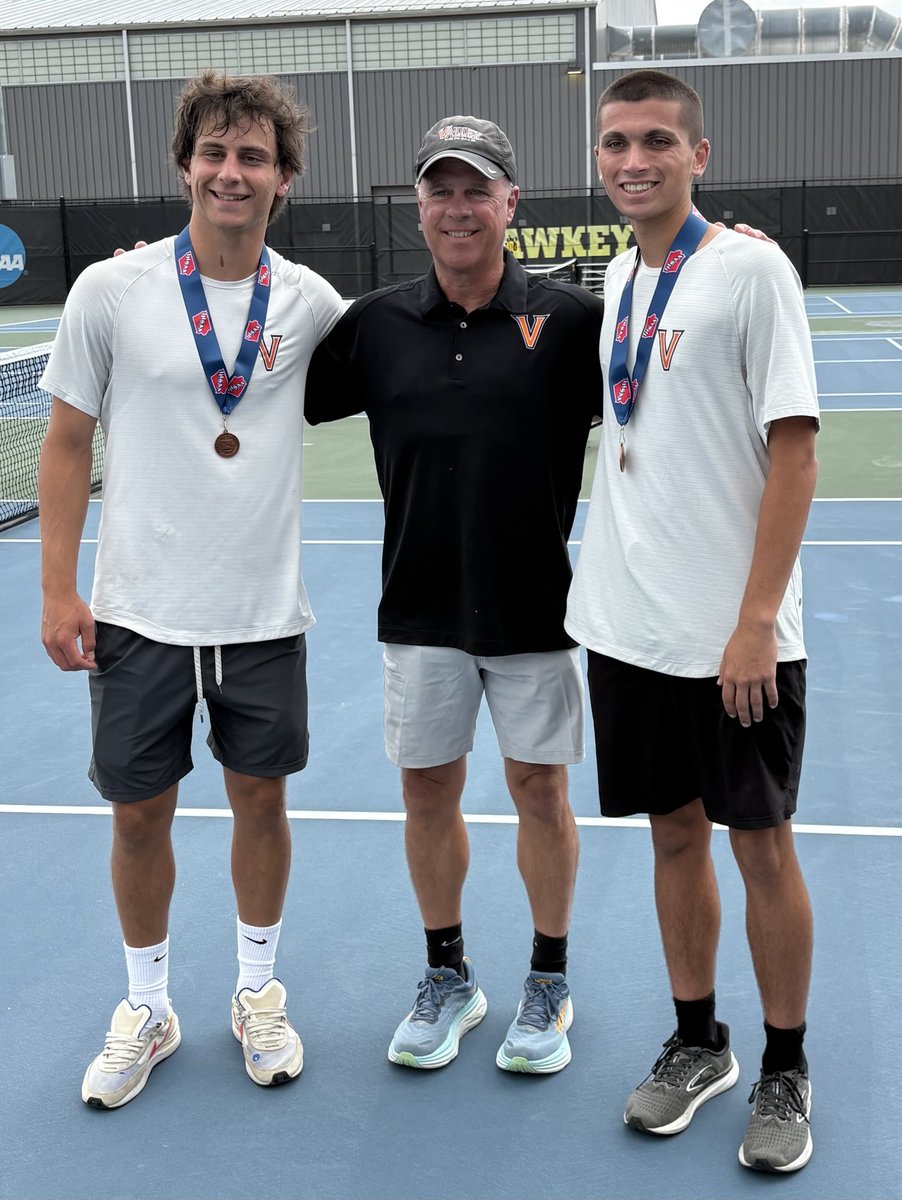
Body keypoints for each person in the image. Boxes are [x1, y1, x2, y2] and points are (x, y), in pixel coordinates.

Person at [38, 69, 345, 1108]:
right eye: (214, 152)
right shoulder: (109, 291)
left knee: (261, 802)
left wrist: (703, 247)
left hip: (262, 614)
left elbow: (429, 349)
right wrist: (57, 591)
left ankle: (257, 991)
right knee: (138, 817)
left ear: (283, 178)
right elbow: (67, 440)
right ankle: (149, 1005)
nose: (230, 171)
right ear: (184, 167)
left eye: (252, 156)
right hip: (136, 611)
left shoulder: (309, 304)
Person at [305, 117, 604, 1073]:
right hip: (420, 609)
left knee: (539, 793)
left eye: (477, 189)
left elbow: (676, 364)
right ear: (420, 208)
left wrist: (733, 252)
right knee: (427, 793)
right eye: (441, 190)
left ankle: (549, 982)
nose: (458, 207)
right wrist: (156, 273)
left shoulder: (571, 322)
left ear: (511, 204)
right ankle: (450, 978)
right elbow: (254, 385)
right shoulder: (376, 326)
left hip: (537, 611)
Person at [566, 69, 819, 1172]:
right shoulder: (616, 280)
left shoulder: (752, 269)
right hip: (627, 631)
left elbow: (794, 455)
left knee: (759, 846)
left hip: (736, 641)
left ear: (697, 156)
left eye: (656, 140)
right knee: (673, 837)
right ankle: (694, 1041)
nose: (633, 159)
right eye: (616, 141)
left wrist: (755, 619)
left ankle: (783, 1066)